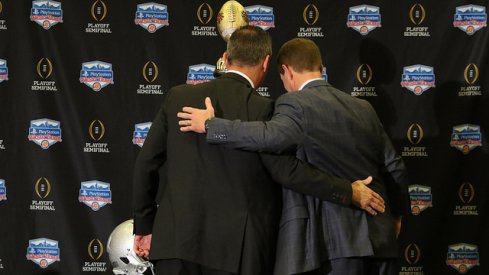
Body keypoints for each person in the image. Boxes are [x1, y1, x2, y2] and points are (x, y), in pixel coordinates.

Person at [133, 28, 384, 275]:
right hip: (238, 252)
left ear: (225, 57)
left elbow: (146, 164)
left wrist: (144, 227)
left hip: (175, 244)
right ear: (265, 63)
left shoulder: (178, 97)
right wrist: (347, 191)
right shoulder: (265, 110)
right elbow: (288, 173)